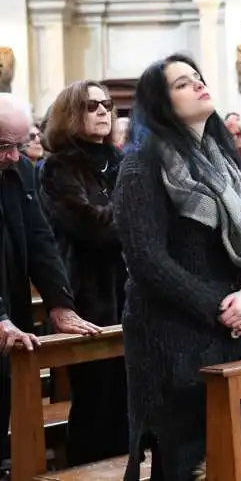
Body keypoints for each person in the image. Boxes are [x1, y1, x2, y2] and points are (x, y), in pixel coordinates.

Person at [113, 54, 241, 480]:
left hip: (233, 334)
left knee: (231, 460)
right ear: (160, 102)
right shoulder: (142, 165)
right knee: (182, 461)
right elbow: (145, 259)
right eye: (182, 83)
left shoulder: (228, 163)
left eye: (198, 76)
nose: (198, 84)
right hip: (172, 340)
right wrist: (217, 305)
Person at [0, 93, 102, 470]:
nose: (14, 155)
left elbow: (41, 241)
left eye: (20, 143)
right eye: (3, 146)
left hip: (11, 319)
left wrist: (61, 304)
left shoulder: (21, 170)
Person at [38, 80, 129, 465]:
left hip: (133, 295)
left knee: (130, 404)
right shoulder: (58, 167)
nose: (104, 111)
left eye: (107, 104)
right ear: (70, 113)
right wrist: (138, 216)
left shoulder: (124, 161)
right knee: (96, 404)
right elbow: (93, 229)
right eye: (92, 106)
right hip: (89, 297)